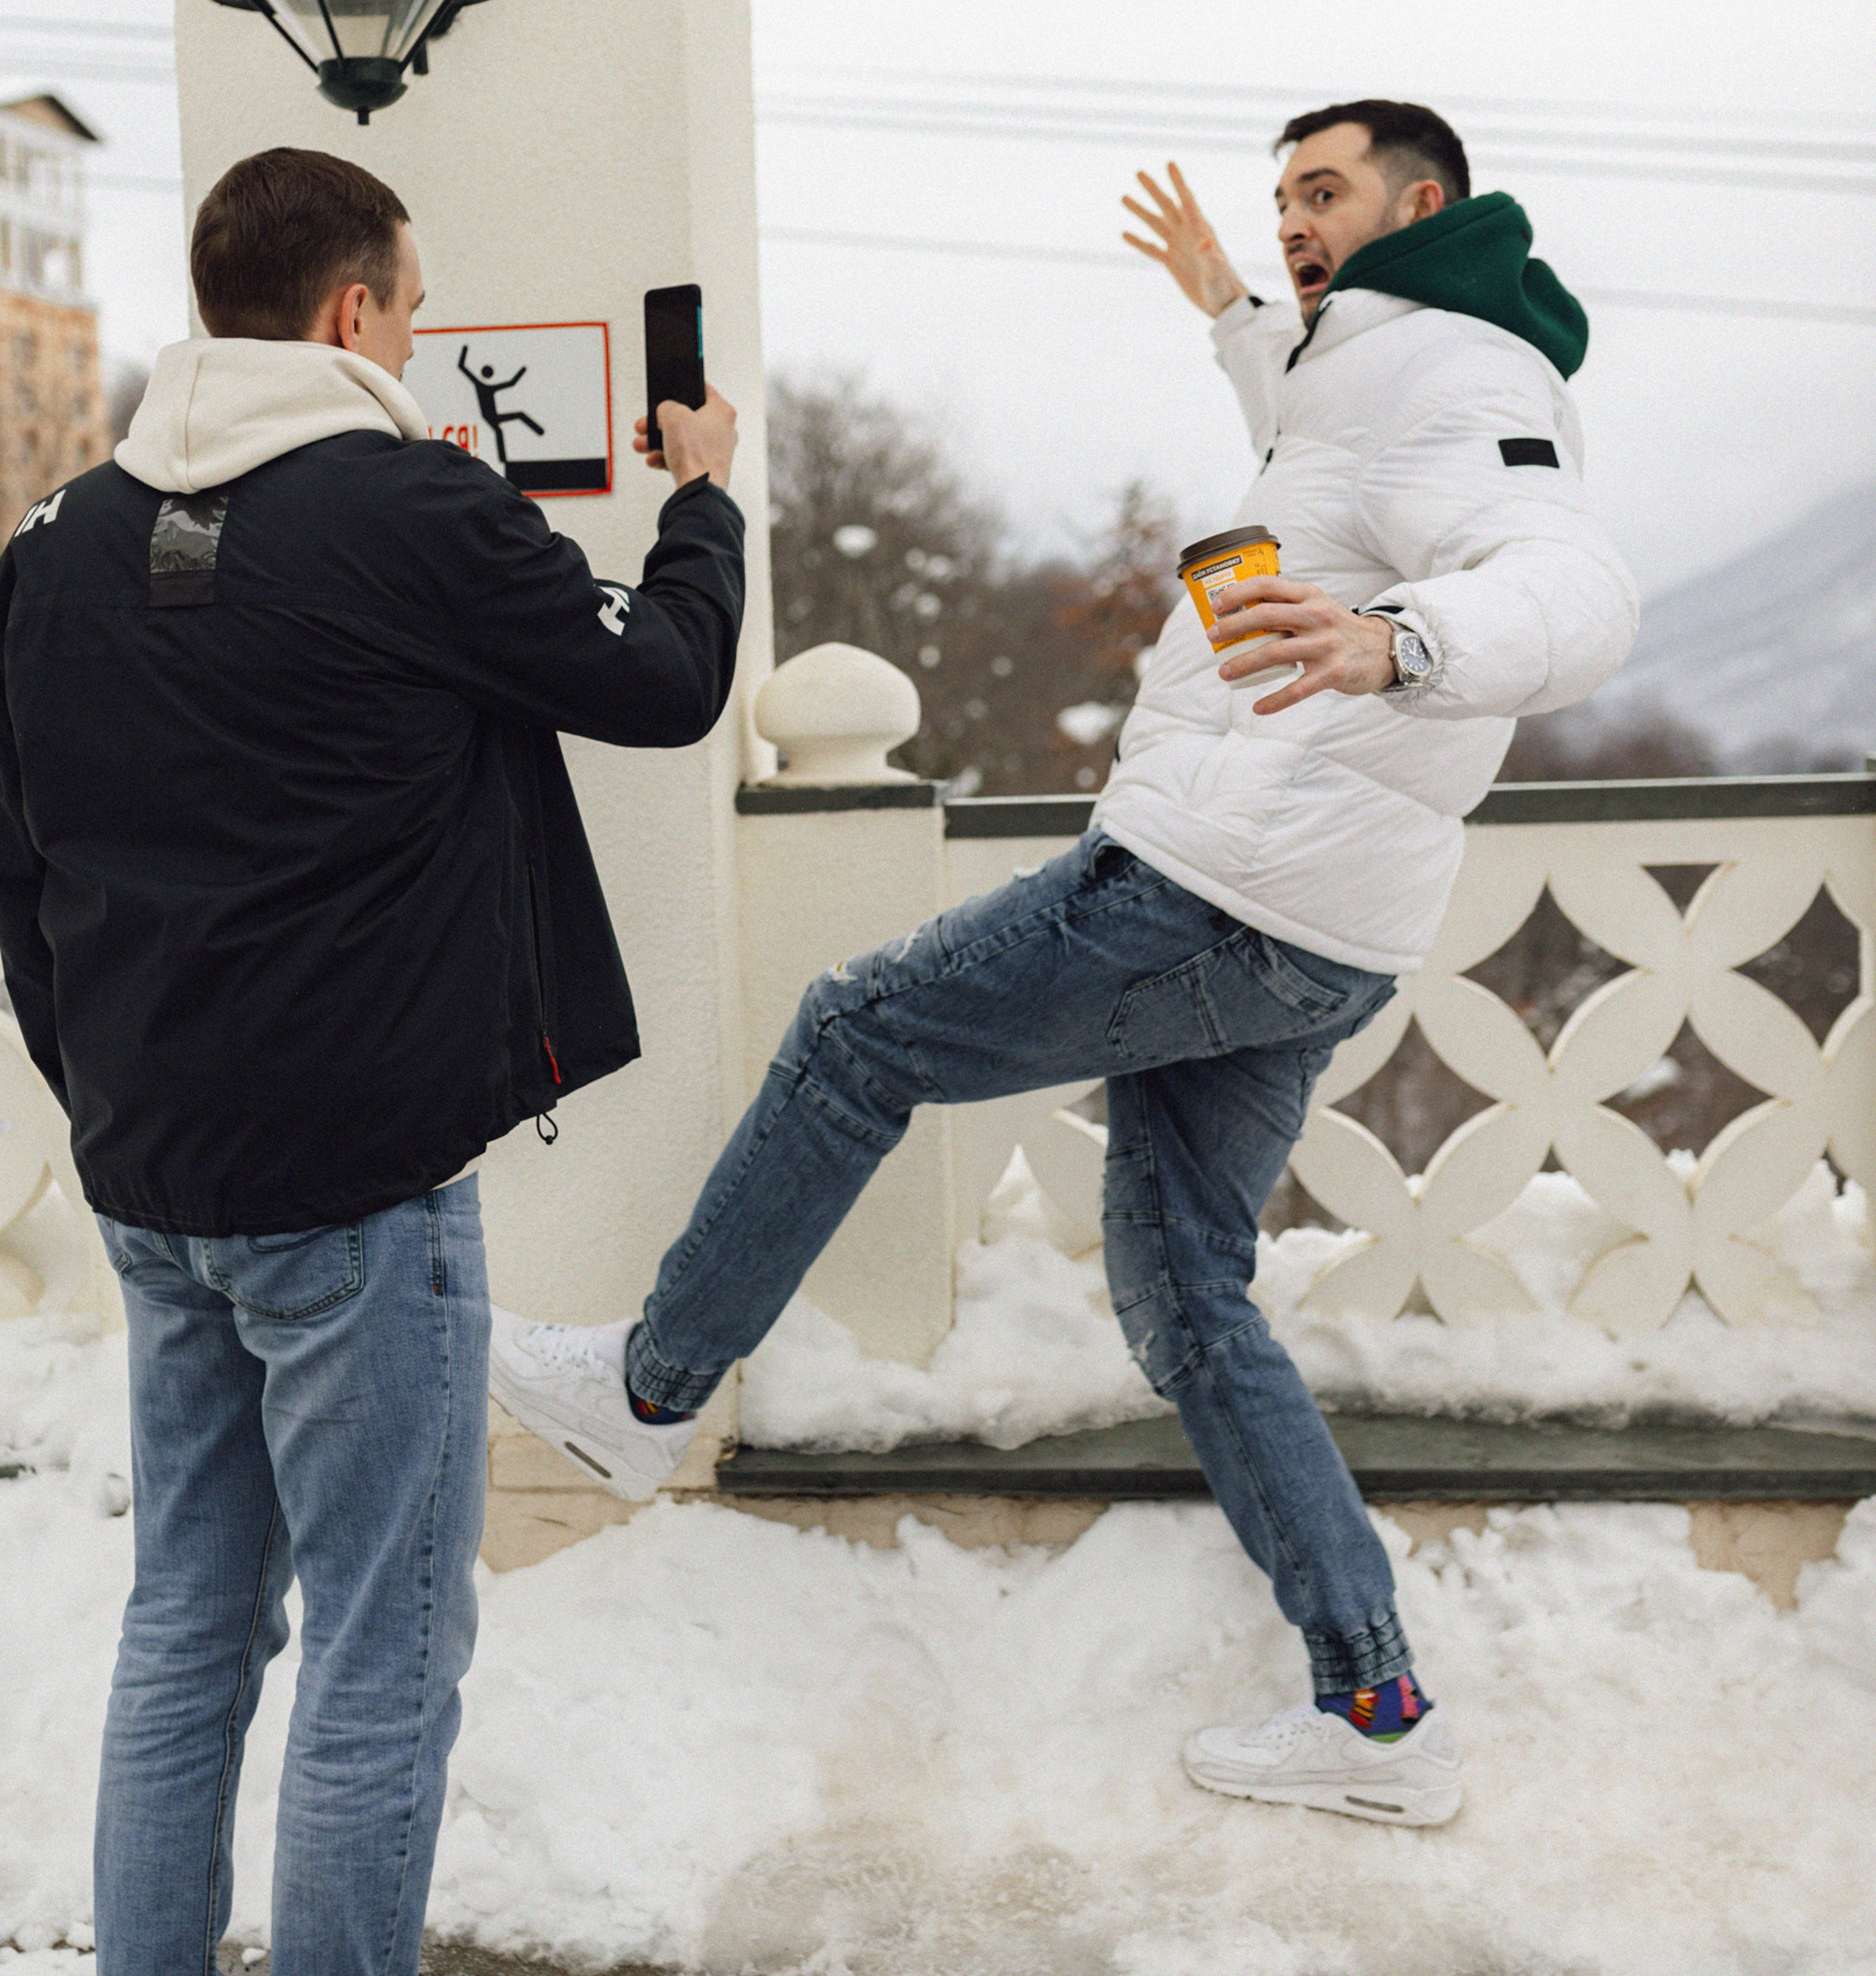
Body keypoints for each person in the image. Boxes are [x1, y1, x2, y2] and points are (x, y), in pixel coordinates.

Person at [487, 100, 1637, 1829]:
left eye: (1321, 194)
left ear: (1425, 204)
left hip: (1210, 888)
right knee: (1186, 1295)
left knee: (853, 1032)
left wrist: (1397, 639)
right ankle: (1381, 1711)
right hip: (1309, 917)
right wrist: (1227, 310)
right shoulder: (1363, 366)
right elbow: (1322, 423)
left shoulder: (1455, 377)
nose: (1291, 223)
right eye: (1278, 201)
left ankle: (647, 1387)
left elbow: (1567, 581)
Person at [0, 145, 745, 1972]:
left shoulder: (52, 541)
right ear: (351, 312)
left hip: (155, 1173)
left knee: (185, 1620)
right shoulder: (411, 508)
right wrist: (698, 498)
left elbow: (22, 868)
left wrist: (105, 1105)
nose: (413, 336)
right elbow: (661, 681)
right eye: (410, 305)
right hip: (350, 1193)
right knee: (382, 1647)